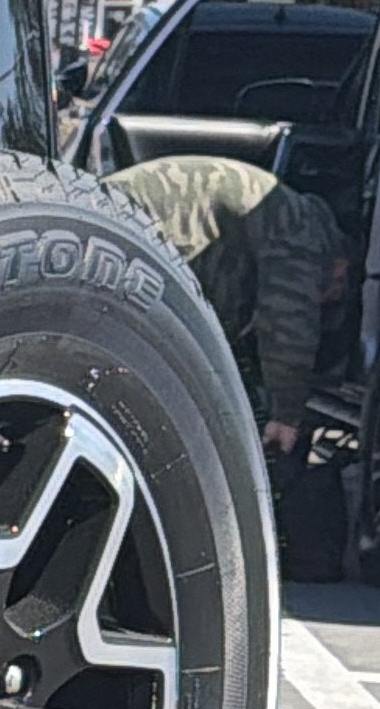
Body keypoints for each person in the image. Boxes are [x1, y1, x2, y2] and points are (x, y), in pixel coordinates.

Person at [110, 150, 349, 574]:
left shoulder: (275, 219)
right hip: (119, 247)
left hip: (119, 240)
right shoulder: (299, 227)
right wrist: (286, 416)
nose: (325, 306)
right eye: (330, 299)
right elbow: (288, 320)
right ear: (341, 270)